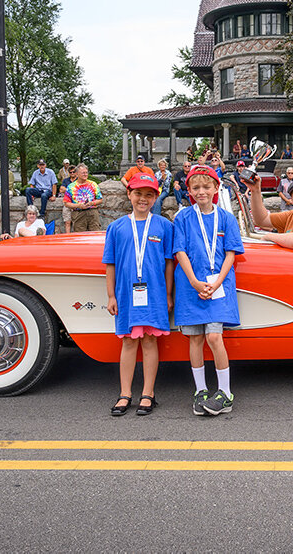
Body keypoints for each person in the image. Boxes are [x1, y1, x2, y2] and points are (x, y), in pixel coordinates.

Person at [174, 165, 245, 416]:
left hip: (219, 285)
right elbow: (179, 251)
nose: (201, 191)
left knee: (214, 337)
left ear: (216, 188)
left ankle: (225, 393)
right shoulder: (182, 217)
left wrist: (216, 283)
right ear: (189, 190)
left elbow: (231, 253)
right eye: (196, 187)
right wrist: (194, 281)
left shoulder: (226, 217)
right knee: (194, 339)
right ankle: (200, 390)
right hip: (190, 285)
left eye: (206, 186)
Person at [103, 172, 175, 416]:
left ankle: (148, 393)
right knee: (128, 340)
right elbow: (110, 264)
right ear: (129, 194)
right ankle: (125, 393)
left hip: (154, 294)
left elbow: (168, 264)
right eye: (138, 193)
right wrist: (111, 295)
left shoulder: (164, 226)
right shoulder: (116, 227)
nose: (142, 199)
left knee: (150, 340)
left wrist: (168, 295)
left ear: (155, 198)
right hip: (125, 294)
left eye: (148, 194)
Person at [64, 164, 103, 232]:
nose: (85, 174)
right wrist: (78, 205)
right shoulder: (71, 187)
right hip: (78, 213)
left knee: (95, 234)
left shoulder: (93, 184)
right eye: (83, 173)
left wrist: (92, 203)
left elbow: (100, 199)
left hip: (92, 213)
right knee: (79, 236)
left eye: (86, 172)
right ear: (77, 174)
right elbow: (66, 203)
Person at [58, 165, 75, 233]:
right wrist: (72, 190)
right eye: (70, 172)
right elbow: (61, 189)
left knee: (76, 223)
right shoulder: (66, 180)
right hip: (67, 203)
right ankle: (68, 237)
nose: (72, 173)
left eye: (74, 172)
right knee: (67, 222)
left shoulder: (79, 180)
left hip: (76, 204)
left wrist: (67, 190)